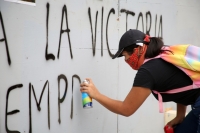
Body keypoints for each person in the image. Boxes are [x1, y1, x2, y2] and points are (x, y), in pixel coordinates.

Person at [80, 29, 200, 133]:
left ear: (139, 49)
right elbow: (182, 80)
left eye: (125, 55)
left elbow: (126, 109)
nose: (126, 60)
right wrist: (180, 115)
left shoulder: (148, 71)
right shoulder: (164, 53)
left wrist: (96, 95)